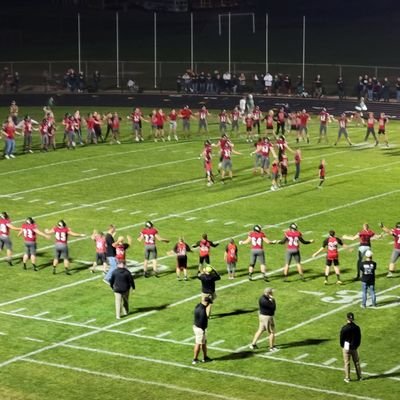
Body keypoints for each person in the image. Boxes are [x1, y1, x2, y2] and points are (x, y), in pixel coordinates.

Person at [249, 287, 278, 352]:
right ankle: (271, 347)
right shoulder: (266, 301)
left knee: (261, 330)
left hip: (262, 316)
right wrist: (273, 300)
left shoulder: (262, 298)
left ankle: (253, 344)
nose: (273, 293)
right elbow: (273, 308)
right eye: (271, 292)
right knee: (271, 332)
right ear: (269, 293)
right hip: (267, 317)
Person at [340, 312, 362, 383]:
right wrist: (356, 345)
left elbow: (341, 339)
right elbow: (359, 338)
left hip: (346, 346)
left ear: (347, 318)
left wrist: (343, 346)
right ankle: (360, 377)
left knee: (347, 363)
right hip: (354, 347)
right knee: (357, 362)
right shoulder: (357, 327)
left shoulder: (344, 328)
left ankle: (347, 378)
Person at [192, 296, 212, 365]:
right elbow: (202, 322)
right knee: (198, 343)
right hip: (200, 329)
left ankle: (205, 357)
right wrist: (203, 331)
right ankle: (195, 359)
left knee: (203, 343)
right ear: (207, 303)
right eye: (209, 303)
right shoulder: (203, 312)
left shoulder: (198, 305)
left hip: (196, 326)